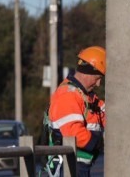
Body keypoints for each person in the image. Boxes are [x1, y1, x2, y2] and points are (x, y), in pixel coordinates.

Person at [44, 46, 106, 177]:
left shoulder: (86, 97)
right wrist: (101, 142)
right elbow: (74, 134)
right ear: (87, 72)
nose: (99, 83)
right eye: (98, 78)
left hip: (77, 166)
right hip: (68, 167)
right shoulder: (68, 96)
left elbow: (108, 115)